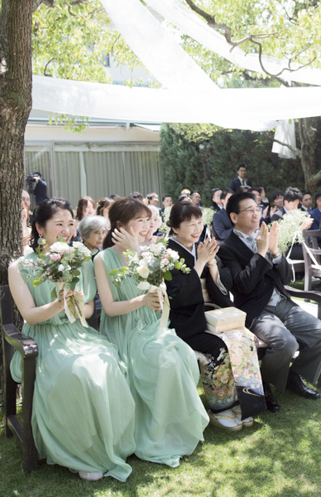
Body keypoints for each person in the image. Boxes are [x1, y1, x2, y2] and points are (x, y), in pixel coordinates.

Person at [7, 198, 136, 482]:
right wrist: (59, 304)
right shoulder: (20, 267)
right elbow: (30, 315)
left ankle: (107, 441)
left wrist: (75, 305)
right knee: (76, 373)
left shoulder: (81, 260)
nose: (66, 231)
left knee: (106, 361)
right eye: (58, 224)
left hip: (78, 333)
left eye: (70, 224)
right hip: (44, 337)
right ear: (40, 228)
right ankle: (81, 450)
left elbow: (89, 309)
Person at [94, 198, 208, 466]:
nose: (147, 226)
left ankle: (168, 428)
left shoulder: (153, 250)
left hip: (153, 327)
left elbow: (163, 292)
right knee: (165, 362)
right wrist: (140, 301)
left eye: (149, 220)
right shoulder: (103, 258)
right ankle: (153, 433)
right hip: (124, 328)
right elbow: (109, 308)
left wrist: (138, 250)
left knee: (182, 356)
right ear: (121, 225)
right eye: (140, 221)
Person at [217, 192, 321, 413]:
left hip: (282, 302)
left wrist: (276, 251)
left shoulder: (265, 236)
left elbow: (287, 278)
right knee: (286, 343)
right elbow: (242, 285)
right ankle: (263, 384)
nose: (256, 214)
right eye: (250, 210)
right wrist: (261, 252)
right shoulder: (226, 247)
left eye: (257, 209)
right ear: (234, 217)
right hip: (257, 310)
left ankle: (292, 375)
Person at [165, 203, 265, 430]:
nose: (197, 229)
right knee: (219, 349)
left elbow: (222, 289)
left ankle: (242, 400)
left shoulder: (202, 247)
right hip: (186, 320)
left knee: (246, 339)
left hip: (212, 315)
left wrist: (212, 266)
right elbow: (178, 297)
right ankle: (220, 407)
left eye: (200, 223)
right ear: (175, 228)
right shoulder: (167, 254)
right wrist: (200, 262)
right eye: (190, 224)